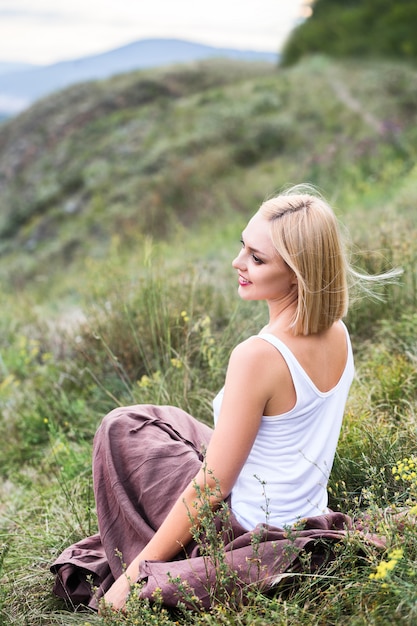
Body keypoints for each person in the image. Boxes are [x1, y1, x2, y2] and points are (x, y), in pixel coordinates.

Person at [51, 185, 395, 612]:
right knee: (151, 419)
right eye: (242, 247)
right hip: (305, 511)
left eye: (257, 258)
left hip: (249, 529)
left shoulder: (258, 355)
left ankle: (148, 555)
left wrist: (134, 574)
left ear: (297, 272)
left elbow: (212, 488)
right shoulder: (337, 332)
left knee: (120, 429)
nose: (238, 263)